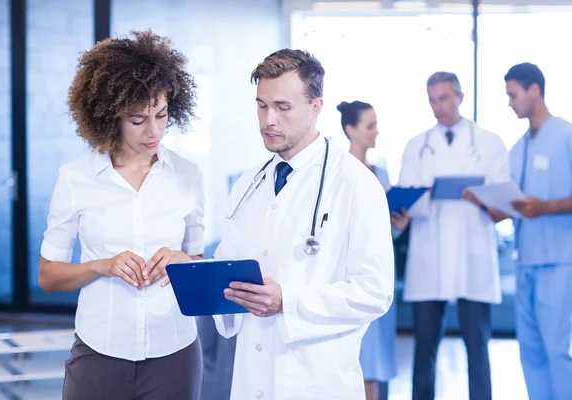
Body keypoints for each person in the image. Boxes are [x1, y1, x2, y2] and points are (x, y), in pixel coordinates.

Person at [211, 49, 395, 400]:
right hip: (252, 378)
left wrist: (288, 301)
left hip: (318, 381)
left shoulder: (356, 183)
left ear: (315, 107)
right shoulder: (247, 185)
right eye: (262, 105)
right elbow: (228, 269)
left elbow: (375, 291)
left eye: (283, 107)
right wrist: (196, 274)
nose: (268, 120)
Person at [38, 30, 204, 400]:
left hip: (174, 351)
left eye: (162, 115)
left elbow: (197, 261)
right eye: (138, 119)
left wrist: (183, 261)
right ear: (110, 115)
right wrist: (102, 266)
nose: (154, 130)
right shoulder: (75, 177)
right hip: (100, 352)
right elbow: (49, 277)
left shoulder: (189, 176)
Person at [397, 71, 510, 400]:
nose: (438, 107)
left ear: (459, 97)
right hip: (428, 255)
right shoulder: (417, 145)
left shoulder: (489, 142)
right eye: (432, 100)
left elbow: (502, 197)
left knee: (478, 348)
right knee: (424, 347)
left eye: (444, 98)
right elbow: (407, 197)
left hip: (471, 252)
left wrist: (480, 197)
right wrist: (425, 196)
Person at [503, 62, 572, 400]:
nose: (510, 103)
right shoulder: (518, 149)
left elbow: (547, 202)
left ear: (534, 90)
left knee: (557, 348)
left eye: (513, 95)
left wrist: (547, 207)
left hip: (560, 259)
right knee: (529, 350)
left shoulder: (566, 136)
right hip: (526, 259)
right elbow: (513, 199)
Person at [337, 100, 409, 400]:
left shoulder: (381, 175)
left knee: (379, 356)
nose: (376, 132)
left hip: (380, 273)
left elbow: (385, 233)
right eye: (370, 126)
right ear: (350, 129)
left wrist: (400, 225)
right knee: (358, 355)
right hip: (349, 275)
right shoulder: (338, 173)